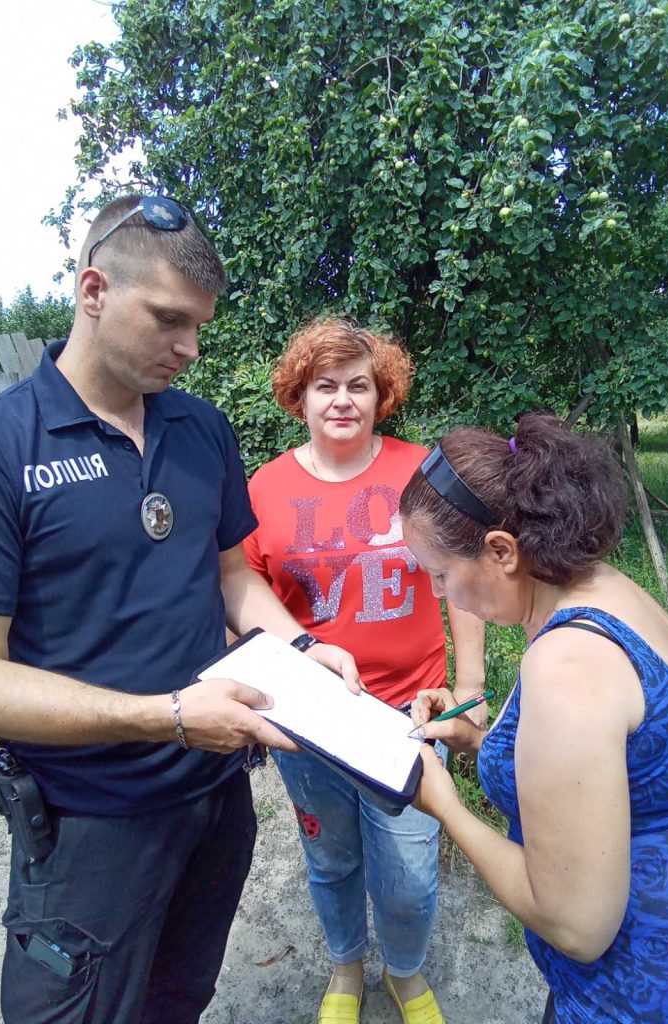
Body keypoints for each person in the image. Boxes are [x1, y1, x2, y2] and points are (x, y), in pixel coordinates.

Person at [0, 196, 360, 1024]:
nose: (189, 348)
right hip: (90, 820)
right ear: (93, 291)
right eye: (169, 320)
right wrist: (168, 717)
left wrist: (302, 647)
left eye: (199, 327)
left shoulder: (201, 428)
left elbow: (232, 577)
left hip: (216, 799)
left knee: (180, 996)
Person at [400, 413, 668, 1024]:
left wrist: (445, 805)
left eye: (440, 573)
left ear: (501, 551)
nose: (437, 594)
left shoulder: (568, 663)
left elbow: (576, 924)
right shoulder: (601, 590)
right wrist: (478, 741)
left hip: (647, 991)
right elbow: (608, 775)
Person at [243, 317, 486, 1024]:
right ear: (299, 396)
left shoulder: (423, 472)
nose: (343, 400)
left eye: (360, 385)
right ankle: (346, 965)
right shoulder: (265, 487)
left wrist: (470, 688)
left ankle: (404, 971)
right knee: (332, 860)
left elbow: (463, 577)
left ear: (384, 395)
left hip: (410, 714)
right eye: (326, 386)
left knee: (408, 872)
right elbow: (245, 591)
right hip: (310, 719)